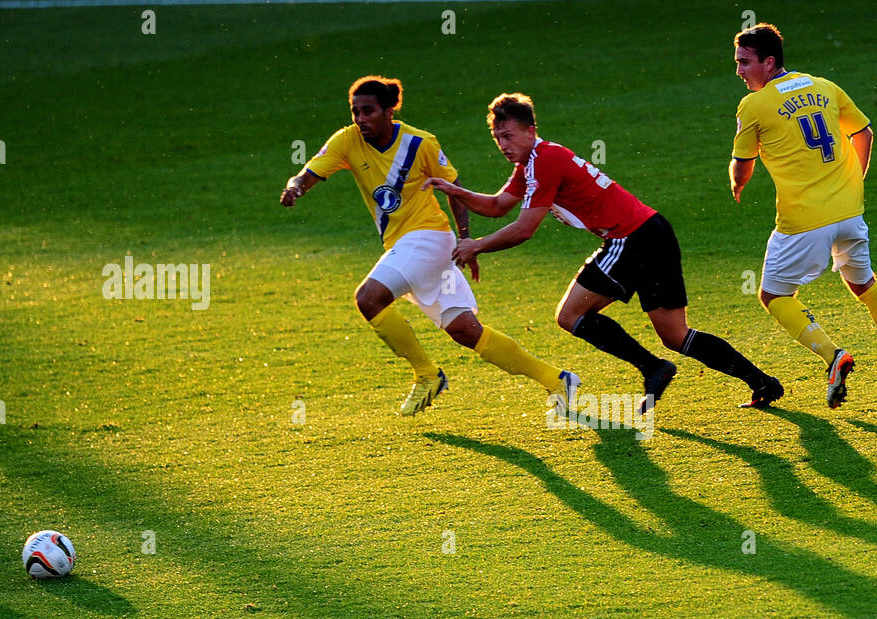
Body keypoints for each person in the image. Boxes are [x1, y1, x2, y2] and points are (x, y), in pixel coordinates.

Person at [423, 93, 782, 415]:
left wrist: (476, 245)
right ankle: (762, 382)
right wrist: (455, 190)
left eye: (509, 135)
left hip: (631, 238)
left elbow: (524, 228)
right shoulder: (532, 163)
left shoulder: (543, 160)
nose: (502, 144)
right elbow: (500, 205)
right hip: (652, 231)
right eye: (497, 137)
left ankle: (654, 368)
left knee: (570, 314)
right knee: (675, 335)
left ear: (531, 131)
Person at [279, 76, 577, 417]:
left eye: (368, 111)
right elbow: (308, 173)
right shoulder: (347, 140)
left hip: (429, 238)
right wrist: (296, 187)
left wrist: (465, 238)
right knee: (467, 332)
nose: (360, 119)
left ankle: (426, 373)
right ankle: (556, 379)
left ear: (389, 111)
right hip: (407, 247)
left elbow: (454, 188)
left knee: (368, 298)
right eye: (355, 111)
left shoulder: (420, 143)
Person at [730, 23, 877, 409]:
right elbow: (865, 134)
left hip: (803, 222)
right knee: (866, 285)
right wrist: (852, 182)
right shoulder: (824, 86)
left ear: (769, 62)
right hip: (849, 212)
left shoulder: (754, 106)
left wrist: (737, 186)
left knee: (774, 295)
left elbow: (743, 165)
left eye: (744, 62)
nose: (738, 71)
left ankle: (833, 355)